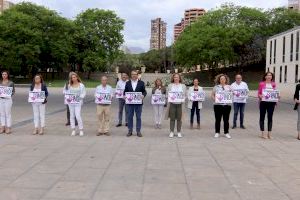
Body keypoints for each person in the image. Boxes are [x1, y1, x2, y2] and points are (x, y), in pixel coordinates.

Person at [124, 70, 147, 137]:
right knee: (129, 117)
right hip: (130, 104)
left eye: (135, 74)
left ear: (137, 75)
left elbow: (144, 91)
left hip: (138, 103)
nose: (134, 75)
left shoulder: (141, 83)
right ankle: (130, 131)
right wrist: (124, 96)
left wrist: (143, 95)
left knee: (138, 117)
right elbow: (125, 92)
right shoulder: (127, 83)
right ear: (131, 75)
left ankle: (138, 131)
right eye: (132, 74)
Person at [63, 72, 86, 136]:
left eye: (74, 77)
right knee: (72, 116)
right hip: (71, 103)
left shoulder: (81, 85)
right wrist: (67, 96)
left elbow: (83, 93)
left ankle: (81, 129)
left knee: (78, 115)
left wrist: (80, 97)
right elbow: (64, 91)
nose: (73, 78)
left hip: (78, 103)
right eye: (72, 77)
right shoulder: (68, 85)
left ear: (77, 77)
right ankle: (73, 130)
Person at [258, 72, 278, 139]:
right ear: (265, 76)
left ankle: (269, 134)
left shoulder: (273, 84)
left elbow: (275, 93)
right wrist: (261, 96)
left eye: (270, 75)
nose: (269, 76)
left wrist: (277, 97)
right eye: (268, 75)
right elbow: (259, 94)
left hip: (271, 103)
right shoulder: (261, 84)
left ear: (272, 77)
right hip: (263, 103)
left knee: (270, 118)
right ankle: (263, 133)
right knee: (262, 117)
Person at [211, 74, 232, 139]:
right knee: (218, 119)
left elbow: (232, 94)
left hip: (226, 106)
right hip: (218, 106)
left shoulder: (229, 87)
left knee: (226, 120)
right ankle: (217, 132)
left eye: (224, 79)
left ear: (226, 80)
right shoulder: (216, 87)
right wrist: (215, 99)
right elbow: (212, 95)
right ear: (219, 80)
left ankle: (226, 132)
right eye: (221, 79)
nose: (222, 80)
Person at [165, 73, 186, 138]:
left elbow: (185, 95)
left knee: (179, 119)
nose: (176, 78)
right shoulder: (170, 86)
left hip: (180, 104)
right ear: (173, 78)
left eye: (177, 77)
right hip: (172, 104)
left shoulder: (183, 86)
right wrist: (169, 96)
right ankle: (171, 132)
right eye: (175, 77)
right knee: (172, 118)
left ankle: (179, 132)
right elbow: (166, 95)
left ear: (179, 78)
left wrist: (183, 98)